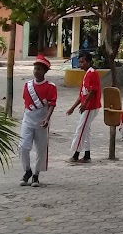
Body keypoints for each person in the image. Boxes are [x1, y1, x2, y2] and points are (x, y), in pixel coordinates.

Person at [19, 54, 58, 187]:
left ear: (45, 71)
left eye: (39, 69)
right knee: (23, 147)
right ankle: (27, 171)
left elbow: (52, 104)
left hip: (42, 122)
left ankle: (36, 175)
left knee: (41, 150)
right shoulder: (27, 85)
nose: (36, 71)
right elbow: (26, 102)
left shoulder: (51, 87)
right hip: (28, 120)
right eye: (35, 68)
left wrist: (47, 118)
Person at [67, 50, 102, 163]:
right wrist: (73, 107)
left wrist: (85, 104)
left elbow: (93, 91)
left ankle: (76, 154)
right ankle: (87, 154)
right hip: (87, 106)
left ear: (88, 62)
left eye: (83, 62)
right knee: (86, 130)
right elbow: (82, 94)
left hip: (91, 106)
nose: (80, 64)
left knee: (81, 129)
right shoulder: (87, 75)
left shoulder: (93, 73)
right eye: (80, 62)